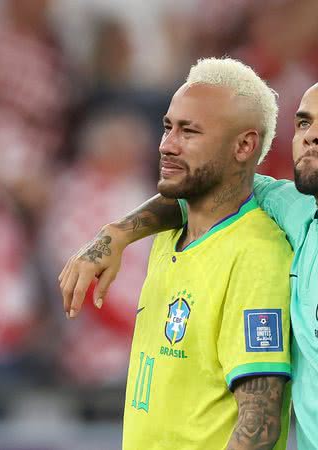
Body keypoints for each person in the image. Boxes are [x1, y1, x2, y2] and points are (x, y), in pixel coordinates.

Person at [60, 74, 318, 449]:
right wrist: (117, 234)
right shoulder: (297, 210)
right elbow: (206, 186)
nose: (312, 135)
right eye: (303, 123)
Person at [61, 57, 293, 450]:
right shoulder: (171, 230)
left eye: (190, 132)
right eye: (168, 127)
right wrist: (114, 235)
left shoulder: (257, 256)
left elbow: (261, 425)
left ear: (244, 145)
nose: (167, 145)